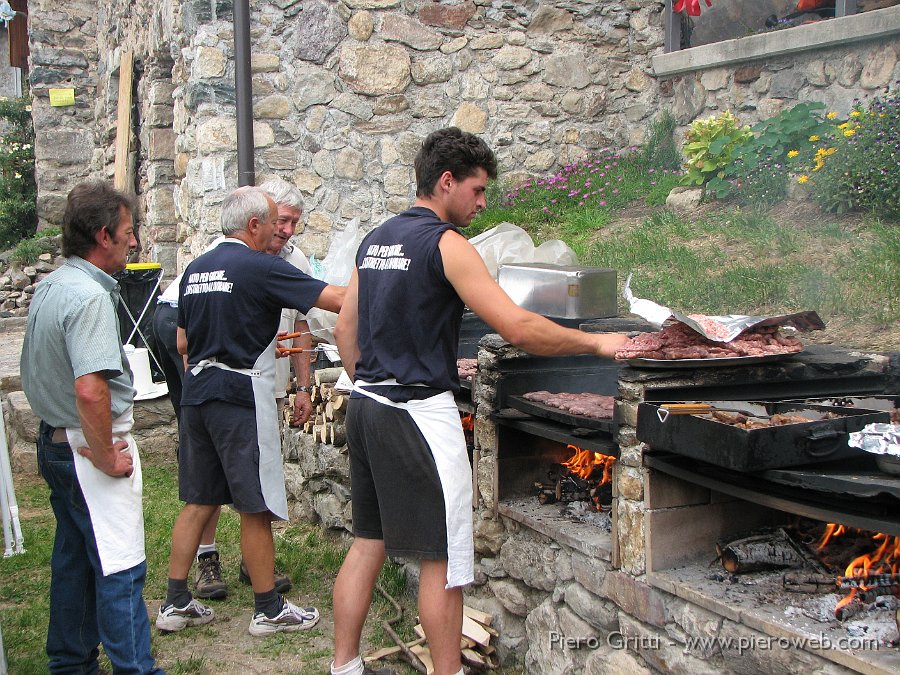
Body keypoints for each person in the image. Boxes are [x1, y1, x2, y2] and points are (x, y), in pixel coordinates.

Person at [331, 127, 629, 675]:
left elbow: (345, 326)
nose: (483, 202)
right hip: (419, 414)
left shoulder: (375, 240)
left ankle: (343, 666)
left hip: (367, 405)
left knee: (367, 540)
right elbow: (516, 327)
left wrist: (371, 381)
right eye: (478, 189)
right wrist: (596, 343)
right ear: (447, 182)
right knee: (443, 562)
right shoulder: (446, 244)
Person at [157, 186, 343, 636]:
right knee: (255, 504)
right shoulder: (261, 267)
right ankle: (269, 608)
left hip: (196, 391)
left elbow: (182, 342)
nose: (279, 232)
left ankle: (175, 602)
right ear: (254, 225)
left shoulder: (195, 269)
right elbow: (334, 300)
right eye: (273, 223)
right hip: (237, 392)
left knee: (199, 499)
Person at [21, 181, 162, 674]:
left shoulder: (55, 285)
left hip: (57, 439)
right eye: (128, 231)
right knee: (121, 566)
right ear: (104, 236)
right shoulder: (88, 298)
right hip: (86, 447)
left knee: (76, 560)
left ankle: (70, 663)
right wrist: (104, 454)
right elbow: (90, 389)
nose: (135, 242)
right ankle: (134, 668)